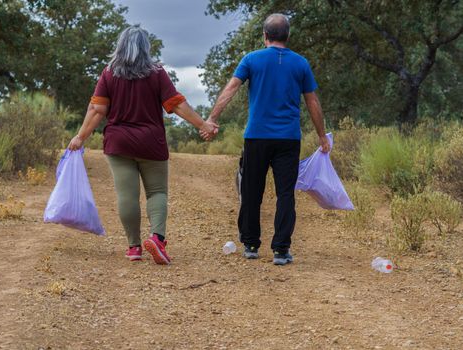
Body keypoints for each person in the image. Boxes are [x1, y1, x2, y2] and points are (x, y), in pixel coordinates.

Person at [68, 25, 217, 265]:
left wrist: (80, 136)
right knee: (157, 192)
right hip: (151, 143)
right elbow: (176, 105)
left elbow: (97, 110)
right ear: (146, 48)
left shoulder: (109, 73)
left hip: (119, 143)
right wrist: (203, 124)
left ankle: (134, 247)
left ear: (120, 46)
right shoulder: (156, 73)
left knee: (127, 195)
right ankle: (157, 238)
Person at [203, 14, 331, 265]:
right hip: (288, 139)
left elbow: (231, 88)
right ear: (288, 36)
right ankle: (281, 250)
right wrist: (321, 135)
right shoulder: (301, 63)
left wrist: (212, 118)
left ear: (264, 36)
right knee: (285, 194)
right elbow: (312, 101)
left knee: (252, 190)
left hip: (257, 136)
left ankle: (250, 244)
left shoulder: (251, 59)